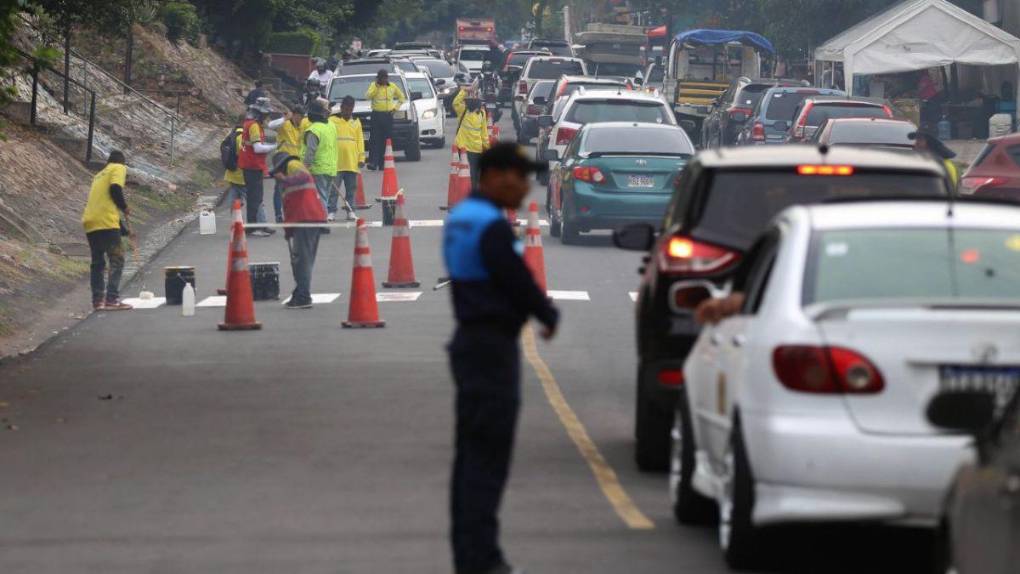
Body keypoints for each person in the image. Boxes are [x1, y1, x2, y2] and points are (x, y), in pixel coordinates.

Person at [443, 143, 559, 574]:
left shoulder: (465, 216)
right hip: (489, 348)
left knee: (472, 456)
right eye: (518, 176)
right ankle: (482, 559)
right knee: (487, 460)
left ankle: (472, 554)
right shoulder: (489, 226)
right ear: (493, 176)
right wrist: (546, 313)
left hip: (473, 343)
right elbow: (515, 280)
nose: (525, 186)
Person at [269, 152, 327, 309]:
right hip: (306, 219)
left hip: (306, 220)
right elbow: (289, 206)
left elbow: (303, 177)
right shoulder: (287, 181)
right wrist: (288, 232)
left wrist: (284, 179)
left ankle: (303, 296)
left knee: (302, 261)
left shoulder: (292, 165)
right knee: (302, 260)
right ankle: (300, 291)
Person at [81, 150, 132, 311]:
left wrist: (124, 231)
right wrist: (124, 207)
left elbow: (105, 204)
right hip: (106, 223)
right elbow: (115, 189)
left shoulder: (99, 175)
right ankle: (112, 299)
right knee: (117, 259)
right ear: (122, 162)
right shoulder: (119, 168)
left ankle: (97, 301)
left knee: (97, 263)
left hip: (91, 222)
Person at [238, 97, 277, 236]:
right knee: (255, 198)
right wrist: (274, 147)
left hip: (250, 165)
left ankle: (258, 225)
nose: (266, 117)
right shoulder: (254, 125)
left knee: (256, 197)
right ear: (259, 113)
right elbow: (257, 148)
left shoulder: (249, 123)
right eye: (265, 114)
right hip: (252, 165)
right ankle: (252, 228)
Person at [268, 104, 309, 222]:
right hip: (282, 159)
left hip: (294, 162)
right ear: (294, 115)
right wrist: (285, 118)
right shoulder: (284, 125)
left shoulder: (300, 128)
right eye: (300, 117)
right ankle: (278, 215)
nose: (301, 120)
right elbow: (270, 125)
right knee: (280, 188)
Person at [328, 96, 366, 221]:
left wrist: (361, 158)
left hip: (352, 161)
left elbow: (360, 141)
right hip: (336, 161)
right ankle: (331, 211)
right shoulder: (332, 120)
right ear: (341, 108)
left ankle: (350, 211)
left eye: (350, 109)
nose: (348, 112)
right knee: (334, 189)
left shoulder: (356, 122)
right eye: (346, 109)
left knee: (351, 189)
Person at [365, 70, 406, 170]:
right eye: (382, 78)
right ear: (378, 78)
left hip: (388, 115)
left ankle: (383, 163)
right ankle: (373, 163)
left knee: (386, 140)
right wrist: (376, 86)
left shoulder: (392, 86)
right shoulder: (373, 86)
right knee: (375, 140)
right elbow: (368, 96)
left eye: (385, 78)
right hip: (376, 115)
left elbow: (402, 97)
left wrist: (395, 108)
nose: (384, 80)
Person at [453, 86, 490, 188]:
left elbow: (484, 133)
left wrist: (487, 148)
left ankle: (471, 192)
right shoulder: (463, 111)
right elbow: (455, 103)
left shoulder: (481, 114)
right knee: (467, 173)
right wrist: (465, 91)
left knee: (474, 174)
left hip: (475, 149)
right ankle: (467, 192)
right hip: (464, 149)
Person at [223, 114, 247, 211]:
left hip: (231, 173)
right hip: (242, 175)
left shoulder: (231, 134)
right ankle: (260, 224)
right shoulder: (241, 137)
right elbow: (244, 154)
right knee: (256, 204)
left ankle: (235, 223)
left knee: (235, 202)